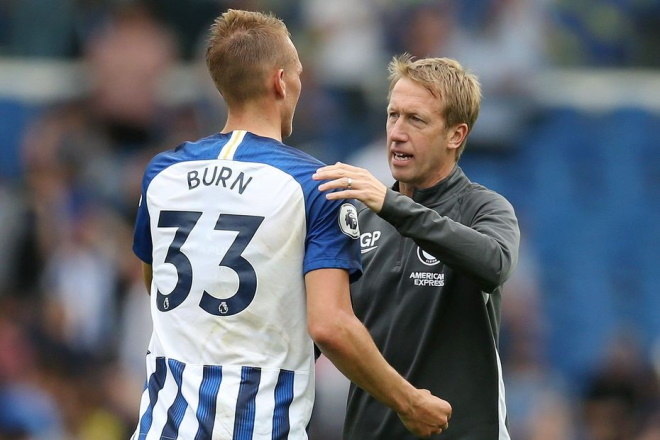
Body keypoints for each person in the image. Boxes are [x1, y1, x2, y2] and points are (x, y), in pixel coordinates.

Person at [131, 10, 451, 440]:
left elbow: (155, 282)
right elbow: (330, 325)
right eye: (299, 73)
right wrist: (409, 402)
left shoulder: (162, 174)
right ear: (281, 82)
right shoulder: (316, 185)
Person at [313, 54, 520, 439]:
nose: (397, 132)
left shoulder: (484, 208)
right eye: (393, 115)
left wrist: (394, 207)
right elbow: (321, 333)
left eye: (416, 119)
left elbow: (494, 263)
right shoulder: (360, 220)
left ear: (455, 135)